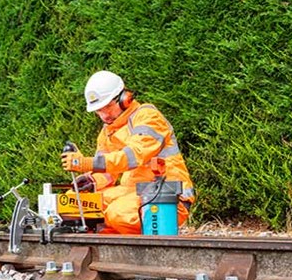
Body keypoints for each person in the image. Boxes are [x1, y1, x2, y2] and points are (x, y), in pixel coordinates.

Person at [61, 70, 195, 234]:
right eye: (99, 111)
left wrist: (87, 163)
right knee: (71, 203)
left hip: (166, 196)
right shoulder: (107, 132)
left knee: (118, 213)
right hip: (131, 192)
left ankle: (121, 240)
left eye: (108, 107)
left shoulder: (148, 117)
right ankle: (104, 242)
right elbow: (107, 172)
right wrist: (91, 181)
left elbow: (134, 155)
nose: (104, 115)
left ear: (125, 99)